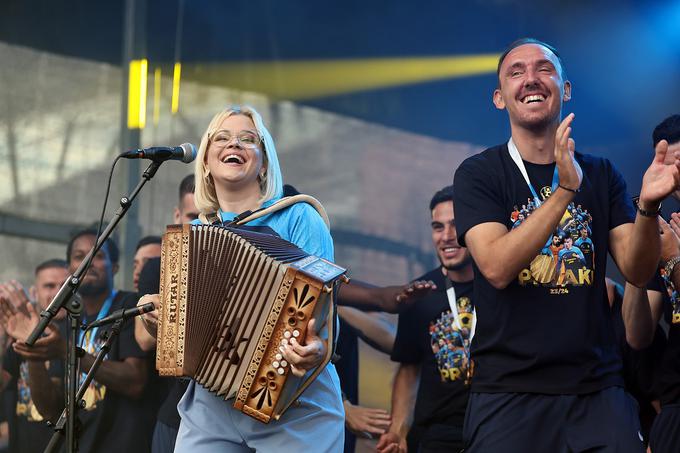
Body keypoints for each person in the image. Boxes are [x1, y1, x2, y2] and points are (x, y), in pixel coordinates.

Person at [453, 38, 680, 451]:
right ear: (499, 98)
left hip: (596, 391)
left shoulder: (602, 172)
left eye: (544, 68)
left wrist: (647, 207)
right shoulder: (479, 173)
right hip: (509, 391)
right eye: (516, 72)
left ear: (565, 88)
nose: (531, 79)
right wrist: (564, 192)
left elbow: (638, 268)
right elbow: (496, 267)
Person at [138, 105, 344, 451]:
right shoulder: (195, 235)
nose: (234, 144)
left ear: (264, 162)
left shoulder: (300, 217)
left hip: (295, 400)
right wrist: (155, 316)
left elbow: (323, 316)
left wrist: (316, 347)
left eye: (249, 140)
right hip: (212, 401)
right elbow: (178, 345)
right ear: (205, 159)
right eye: (222, 138)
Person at [11, 230, 154, 453]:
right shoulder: (66, 323)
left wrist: (69, 352)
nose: (89, 261)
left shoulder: (130, 306)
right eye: (80, 256)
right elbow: (51, 409)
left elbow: (135, 381)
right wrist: (33, 355)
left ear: (115, 267)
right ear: (70, 270)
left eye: (98, 255)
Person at [376, 185, 473, 453]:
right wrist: (396, 430)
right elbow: (409, 370)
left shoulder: (500, 284)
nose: (447, 236)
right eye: (438, 227)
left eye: (456, 225)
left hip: (494, 428)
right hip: (437, 435)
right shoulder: (418, 292)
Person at [621, 114, 680, 452]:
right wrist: (640, 252)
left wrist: (673, 260)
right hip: (674, 403)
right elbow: (637, 335)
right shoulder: (667, 229)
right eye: (668, 169)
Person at [0, 260, 68, 453]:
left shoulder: (77, 333)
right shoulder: (18, 333)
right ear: (34, 292)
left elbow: (53, 409)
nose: (57, 293)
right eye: (49, 286)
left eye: (64, 286)